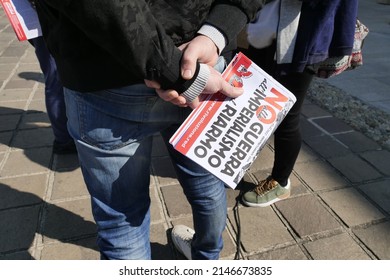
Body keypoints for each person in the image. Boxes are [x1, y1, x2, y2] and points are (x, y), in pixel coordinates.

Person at [34, 0, 265, 260]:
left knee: (122, 221)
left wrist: (178, 64)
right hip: (202, 57)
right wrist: (216, 32)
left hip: (104, 71)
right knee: (206, 182)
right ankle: (207, 258)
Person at [240, 0, 359, 207]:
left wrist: (342, 43)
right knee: (253, 100)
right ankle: (236, 160)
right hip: (264, 31)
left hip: (300, 42)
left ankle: (280, 181)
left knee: (287, 116)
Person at [27, 0, 76, 154]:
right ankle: (64, 139)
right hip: (48, 17)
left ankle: (64, 138)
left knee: (55, 81)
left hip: (44, 17)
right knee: (56, 81)